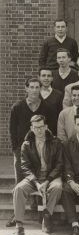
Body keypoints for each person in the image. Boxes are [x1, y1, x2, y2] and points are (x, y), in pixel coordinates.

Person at [7, 78, 55, 227]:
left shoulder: (47, 107)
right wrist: (16, 149)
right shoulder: (17, 107)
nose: (34, 90)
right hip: (22, 151)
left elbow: (51, 129)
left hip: (40, 151)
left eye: (37, 87)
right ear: (26, 89)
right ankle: (17, 215)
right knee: (20, 183)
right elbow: (12, 130)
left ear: (41, 89)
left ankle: (42, 213)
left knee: (41, 178)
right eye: (32, 87)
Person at [10, 115, 63, 235]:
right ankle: (19, 227)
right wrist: (37, 182)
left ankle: (47, 215)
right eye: (36, 127)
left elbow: (60, 164)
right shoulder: (26, 145)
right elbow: (25, 167)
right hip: (34, 177)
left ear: (46, 127)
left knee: (58, 187)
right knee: (18, 189)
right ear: (31, 128)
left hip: (51, 176)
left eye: (41, 127)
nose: (39, 130)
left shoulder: (56, 142)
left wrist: (48, 180)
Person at [39, 68, 63, 135]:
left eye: (49, 76)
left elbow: (60, 116)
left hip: (53, 132)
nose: (46, 78)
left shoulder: (59, 95)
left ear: (52, 78)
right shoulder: (34, 93)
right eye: (43, 76)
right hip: (36, 131)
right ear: (39, 78)